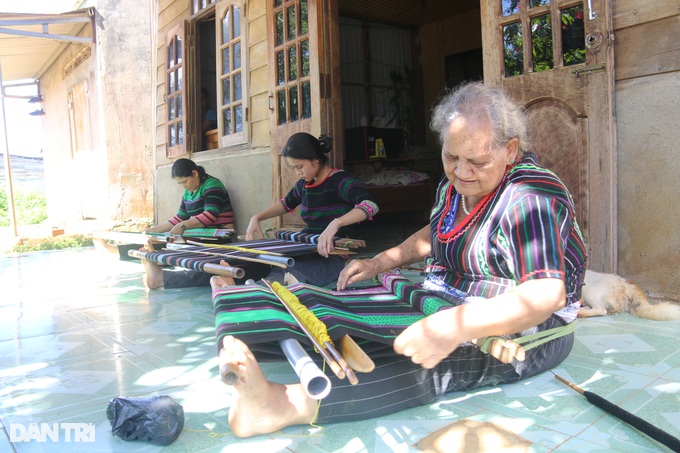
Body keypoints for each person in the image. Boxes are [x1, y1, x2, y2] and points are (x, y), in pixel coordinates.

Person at [215, 82, 588, 438]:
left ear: (510, 150)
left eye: (477, 160)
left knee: (431, 360)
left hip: (526, 324)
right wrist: (380, 263)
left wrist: (453, 327)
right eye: (451, 156)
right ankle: (266, 328)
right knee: (335, 307)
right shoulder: (455, 186)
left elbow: (545, 294)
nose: (461, 172)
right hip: (444, 296)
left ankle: (281, 405)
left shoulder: (531, 193)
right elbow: (436, 231)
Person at [244, 132, 379, 286]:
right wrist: (257, 218)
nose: (297, 172)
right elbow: (286, 204)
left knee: (293, 274)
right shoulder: (304, 185)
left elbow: (370, 204)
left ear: (315, 159)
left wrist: (336, 223)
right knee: (274, 263)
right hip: (308, 247)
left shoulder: (339, 181)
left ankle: (265, 288)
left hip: (334, 253)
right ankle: (259, 285)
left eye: (300, 167)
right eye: (294, 168)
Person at [142, 158, 235, 289]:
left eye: (185, 181)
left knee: (209, 268)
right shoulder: (188, 193)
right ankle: (156, 261)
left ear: (195, 174)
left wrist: (183, 226)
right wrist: (154, 229)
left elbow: (209, 215)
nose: (183, 186)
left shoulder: (213, 185)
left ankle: (161, 278)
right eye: (180, 184)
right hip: (201, 236)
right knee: (161, 242)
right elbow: (180, 217)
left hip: (219, 237)